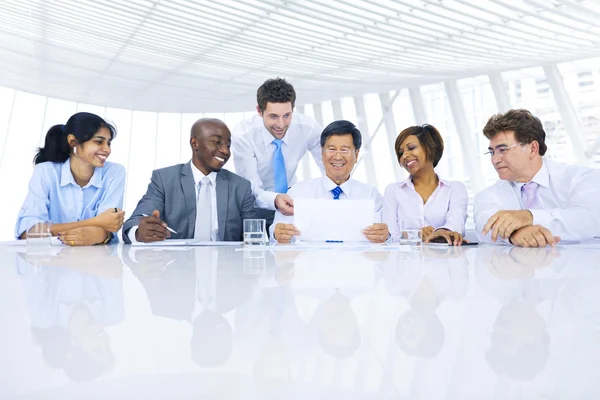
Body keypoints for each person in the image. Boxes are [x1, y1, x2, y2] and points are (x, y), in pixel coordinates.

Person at [474, 109, 600, 247]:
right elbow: (484, 225)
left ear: (533, 148)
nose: (494, 160)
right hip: (519, 266)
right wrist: (515, 233)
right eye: (492, 152)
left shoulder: (582, 179)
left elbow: (588, 219)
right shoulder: (488, 195)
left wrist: (529, 217)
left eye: (503, 150)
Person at [122, 118, 256, 243]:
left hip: (226, 265)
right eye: (216, 142)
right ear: (194, 143)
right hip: (176, 264)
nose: (225, 150)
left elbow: (253, 235)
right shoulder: (164, 179)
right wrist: (139, 233)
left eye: (228, 145)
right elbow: (132, 223)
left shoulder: (241, 187)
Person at [15, 112, 125, 245]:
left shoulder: (115, 172)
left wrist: (102, 231)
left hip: (97, 259)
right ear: (73, 141)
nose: (107, 149)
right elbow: (28, 232)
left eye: (109, 143)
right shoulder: (45, 172)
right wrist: (95, 223)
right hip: (52, 261)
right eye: (99, 142)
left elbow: (110, 225)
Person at [271, 120, 389, 243]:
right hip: (309, 261)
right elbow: (275, 235)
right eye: (331, 149)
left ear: (357, 154)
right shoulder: (298, 192)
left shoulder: (370, 195)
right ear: (322, 153)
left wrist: (384, 235)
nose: (338, 157)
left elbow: (385, 238)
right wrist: (277, 234)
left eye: (344, 150)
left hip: (358, 260)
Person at [231, 77, 324, 231]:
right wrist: (274, 199)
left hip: (292, 204)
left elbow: (329, 166)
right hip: (255, 206)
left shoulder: (308, 127)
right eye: (273, 116)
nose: (281, 124)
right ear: (259, 111)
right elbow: (250, 188)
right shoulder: (244, 134)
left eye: (287, 115)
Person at [382, 124, 468, 246]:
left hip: (445, 261)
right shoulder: (394, 191)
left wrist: (438, 233)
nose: (405, 156)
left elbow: (456, 225)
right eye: (400, 153)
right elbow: (389, 235)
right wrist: (416, 235)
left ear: (430, 148)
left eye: (411, 148)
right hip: (405, 263)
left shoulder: (454, 189)